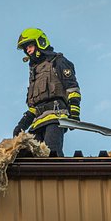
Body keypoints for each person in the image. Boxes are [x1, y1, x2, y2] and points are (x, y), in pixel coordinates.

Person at [13, 28, 81, 157]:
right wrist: (22, 124)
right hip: (37, 123)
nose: (27, 50)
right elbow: (34, 106)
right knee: (30, 157)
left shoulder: (58, 61)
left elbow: (72, 88)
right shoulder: (35, 71)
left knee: (52, 155)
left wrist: (74, 112)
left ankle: (59, 176)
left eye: (30, 46)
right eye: (25, 48)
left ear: (40, 43)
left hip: (55, 117)